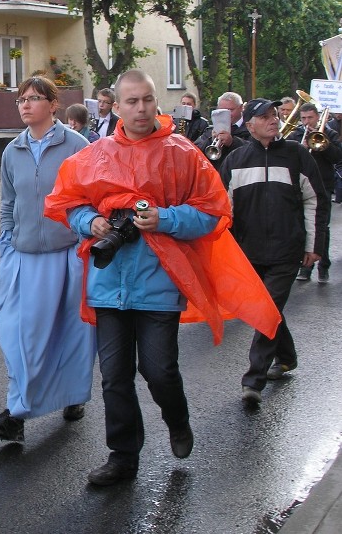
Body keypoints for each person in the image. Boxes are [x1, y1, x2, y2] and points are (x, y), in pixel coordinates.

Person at [43, 70, 280, 486]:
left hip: (159, 283)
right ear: (115, 107)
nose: (140, 109)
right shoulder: (95, 155)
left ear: (157, 103)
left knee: (159, 371)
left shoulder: (182, 153)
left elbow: (213, 210)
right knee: (115, 376)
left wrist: (165, 218)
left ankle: (177, 420)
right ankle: (123, 457)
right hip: (108, 283)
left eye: (147, 100)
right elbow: (67, 202)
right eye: (131, 101)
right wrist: (91, 222)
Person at [0, 77, 96, 444]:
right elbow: (8, 202)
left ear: (53, 104)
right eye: (21, 100)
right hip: (24, 255)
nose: (25, 105)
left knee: (69, 334)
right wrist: (6, 243)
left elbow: (91, 199)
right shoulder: (11, 151)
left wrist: (83, 245)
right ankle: (19, 409)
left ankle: (68, 397)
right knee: (22, 336)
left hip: (66, 255)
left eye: (34, 98)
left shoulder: (77, 146)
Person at [219, 98, 329, 404]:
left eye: (274, 116)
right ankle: (287, 357)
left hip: (286, 250)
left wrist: (313, 245)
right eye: (265, 117)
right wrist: (226, 254)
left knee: (264, 311)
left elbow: (315, 200)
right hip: (249, 252)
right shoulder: (236, 160)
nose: (273, 120)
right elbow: (222, 213)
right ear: (250, 125)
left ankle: (253, 379)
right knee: (268, 309)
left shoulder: (296, 155)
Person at [286, 102, 342, 283]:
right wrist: (301, 147)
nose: (306, 122)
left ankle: (323, 267)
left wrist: (323, 142)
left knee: (322, 227)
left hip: (323, 185)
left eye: (310, 118)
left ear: (317, 117)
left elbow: (337, 157)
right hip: (300, 185)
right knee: (303, 225)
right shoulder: (295, 135)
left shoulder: (329, 133)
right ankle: (305, 267)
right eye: (303, 118)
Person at [194, 91, 249, 167]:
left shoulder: (250, 128)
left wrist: (232, 143)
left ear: (241, 108)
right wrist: (210, 140)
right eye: (222, 111)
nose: (226, 114)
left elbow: (254, 151)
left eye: (230, 110)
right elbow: (195, 152)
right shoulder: (210, 130)